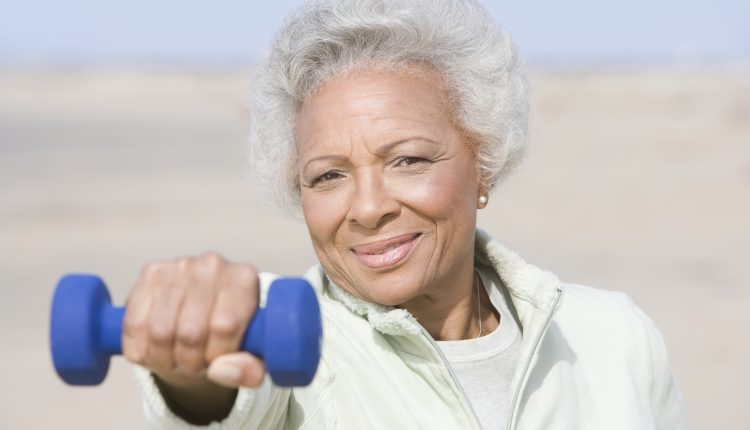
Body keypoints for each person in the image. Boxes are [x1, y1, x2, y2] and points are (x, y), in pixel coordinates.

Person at [123, 0, 691, 428]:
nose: (368, 208)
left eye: (408, 160)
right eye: (328, 175)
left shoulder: (615, 338)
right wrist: (191, 370)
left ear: (484, 160)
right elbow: (229, 398)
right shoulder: (284, 342)